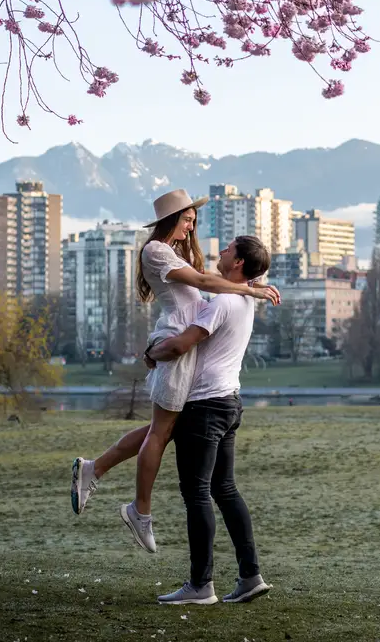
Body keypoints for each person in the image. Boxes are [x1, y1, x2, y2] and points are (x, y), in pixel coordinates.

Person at [70, 189, 280, 554]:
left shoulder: (173, 253)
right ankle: (140, 512)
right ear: (171, 219)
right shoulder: (155, 250)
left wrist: (249, 287)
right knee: (161, 432)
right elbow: (201, 284)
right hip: (178, 344)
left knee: (162, 429)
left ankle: (94, 470)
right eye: (187, 218)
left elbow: (208, 287)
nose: (192, 224)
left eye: (193, 219)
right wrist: (252, 290)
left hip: (184, 347)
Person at [149, 234, 273, 606]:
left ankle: (200, 585)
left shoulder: (222, 302)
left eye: (228, 249)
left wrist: (150, 351)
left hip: (204, 406)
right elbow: (203, 276)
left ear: (237, 263)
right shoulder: (246, 297)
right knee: (225, 490)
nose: (221, 251)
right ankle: (250, 577)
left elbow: (178, 345)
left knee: (197, 493)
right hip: (230, 402)